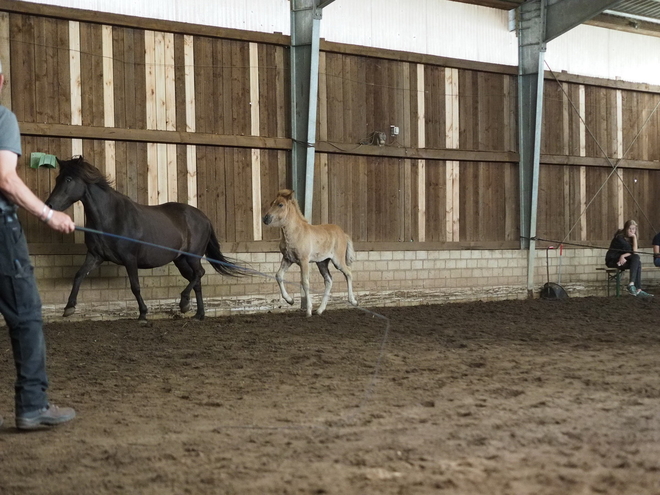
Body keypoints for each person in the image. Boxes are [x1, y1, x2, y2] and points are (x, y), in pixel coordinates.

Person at [0, 60, 77, 429]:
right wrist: (50, 215)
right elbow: (5, 178)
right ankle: (32, 405)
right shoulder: (3, 118)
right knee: (26, 315)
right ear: (0, 79)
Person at [605, 219, 652, 298]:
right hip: (613, 260)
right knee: (636, 258)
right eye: (629, 228)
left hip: (622, 259)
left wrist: (623, 255)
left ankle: (638, 289)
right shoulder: (620, 237)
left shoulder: (631, 238)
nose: (631, 231)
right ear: (625, 228)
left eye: (633, 229)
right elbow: (634, 251)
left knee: (637, 262)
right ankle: (632, 285)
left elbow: (634, 252)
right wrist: (634, 238)